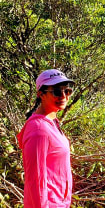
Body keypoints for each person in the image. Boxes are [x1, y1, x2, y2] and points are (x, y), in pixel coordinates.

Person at [17, 69, 75, 208]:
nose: (63, 96)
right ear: (41, 94)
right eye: (56, 91)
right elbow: (35, 181)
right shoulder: (39, 129)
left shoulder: (52, 121)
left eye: (67, 91)